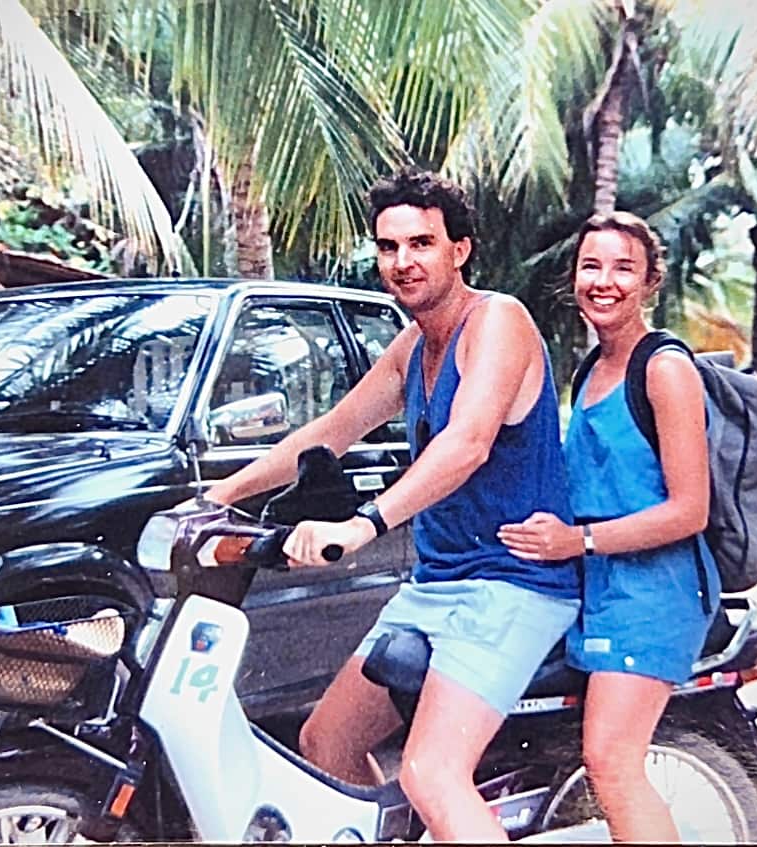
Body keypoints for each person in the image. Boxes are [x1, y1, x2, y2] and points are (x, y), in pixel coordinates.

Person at [201, 168, 580, 841]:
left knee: (433, 772)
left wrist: (363, 522)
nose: (403, 262)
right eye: (388, 246)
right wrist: (218, 495)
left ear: (458, 250)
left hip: (512, 584)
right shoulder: (412, 346)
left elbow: (466, 443)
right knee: (326, 740)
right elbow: (329, 432)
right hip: (435, 584)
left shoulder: (498, 321)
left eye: (421, 243)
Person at [498, 211, 720, 842]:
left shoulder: (665, 368)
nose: (604, 281)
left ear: (651, 281)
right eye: (591, 266)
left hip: (657, 594)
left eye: (624, 268)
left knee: (611, 760)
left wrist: (579, 541)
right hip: (597, 590)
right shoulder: (590, 370)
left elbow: (688, 509)